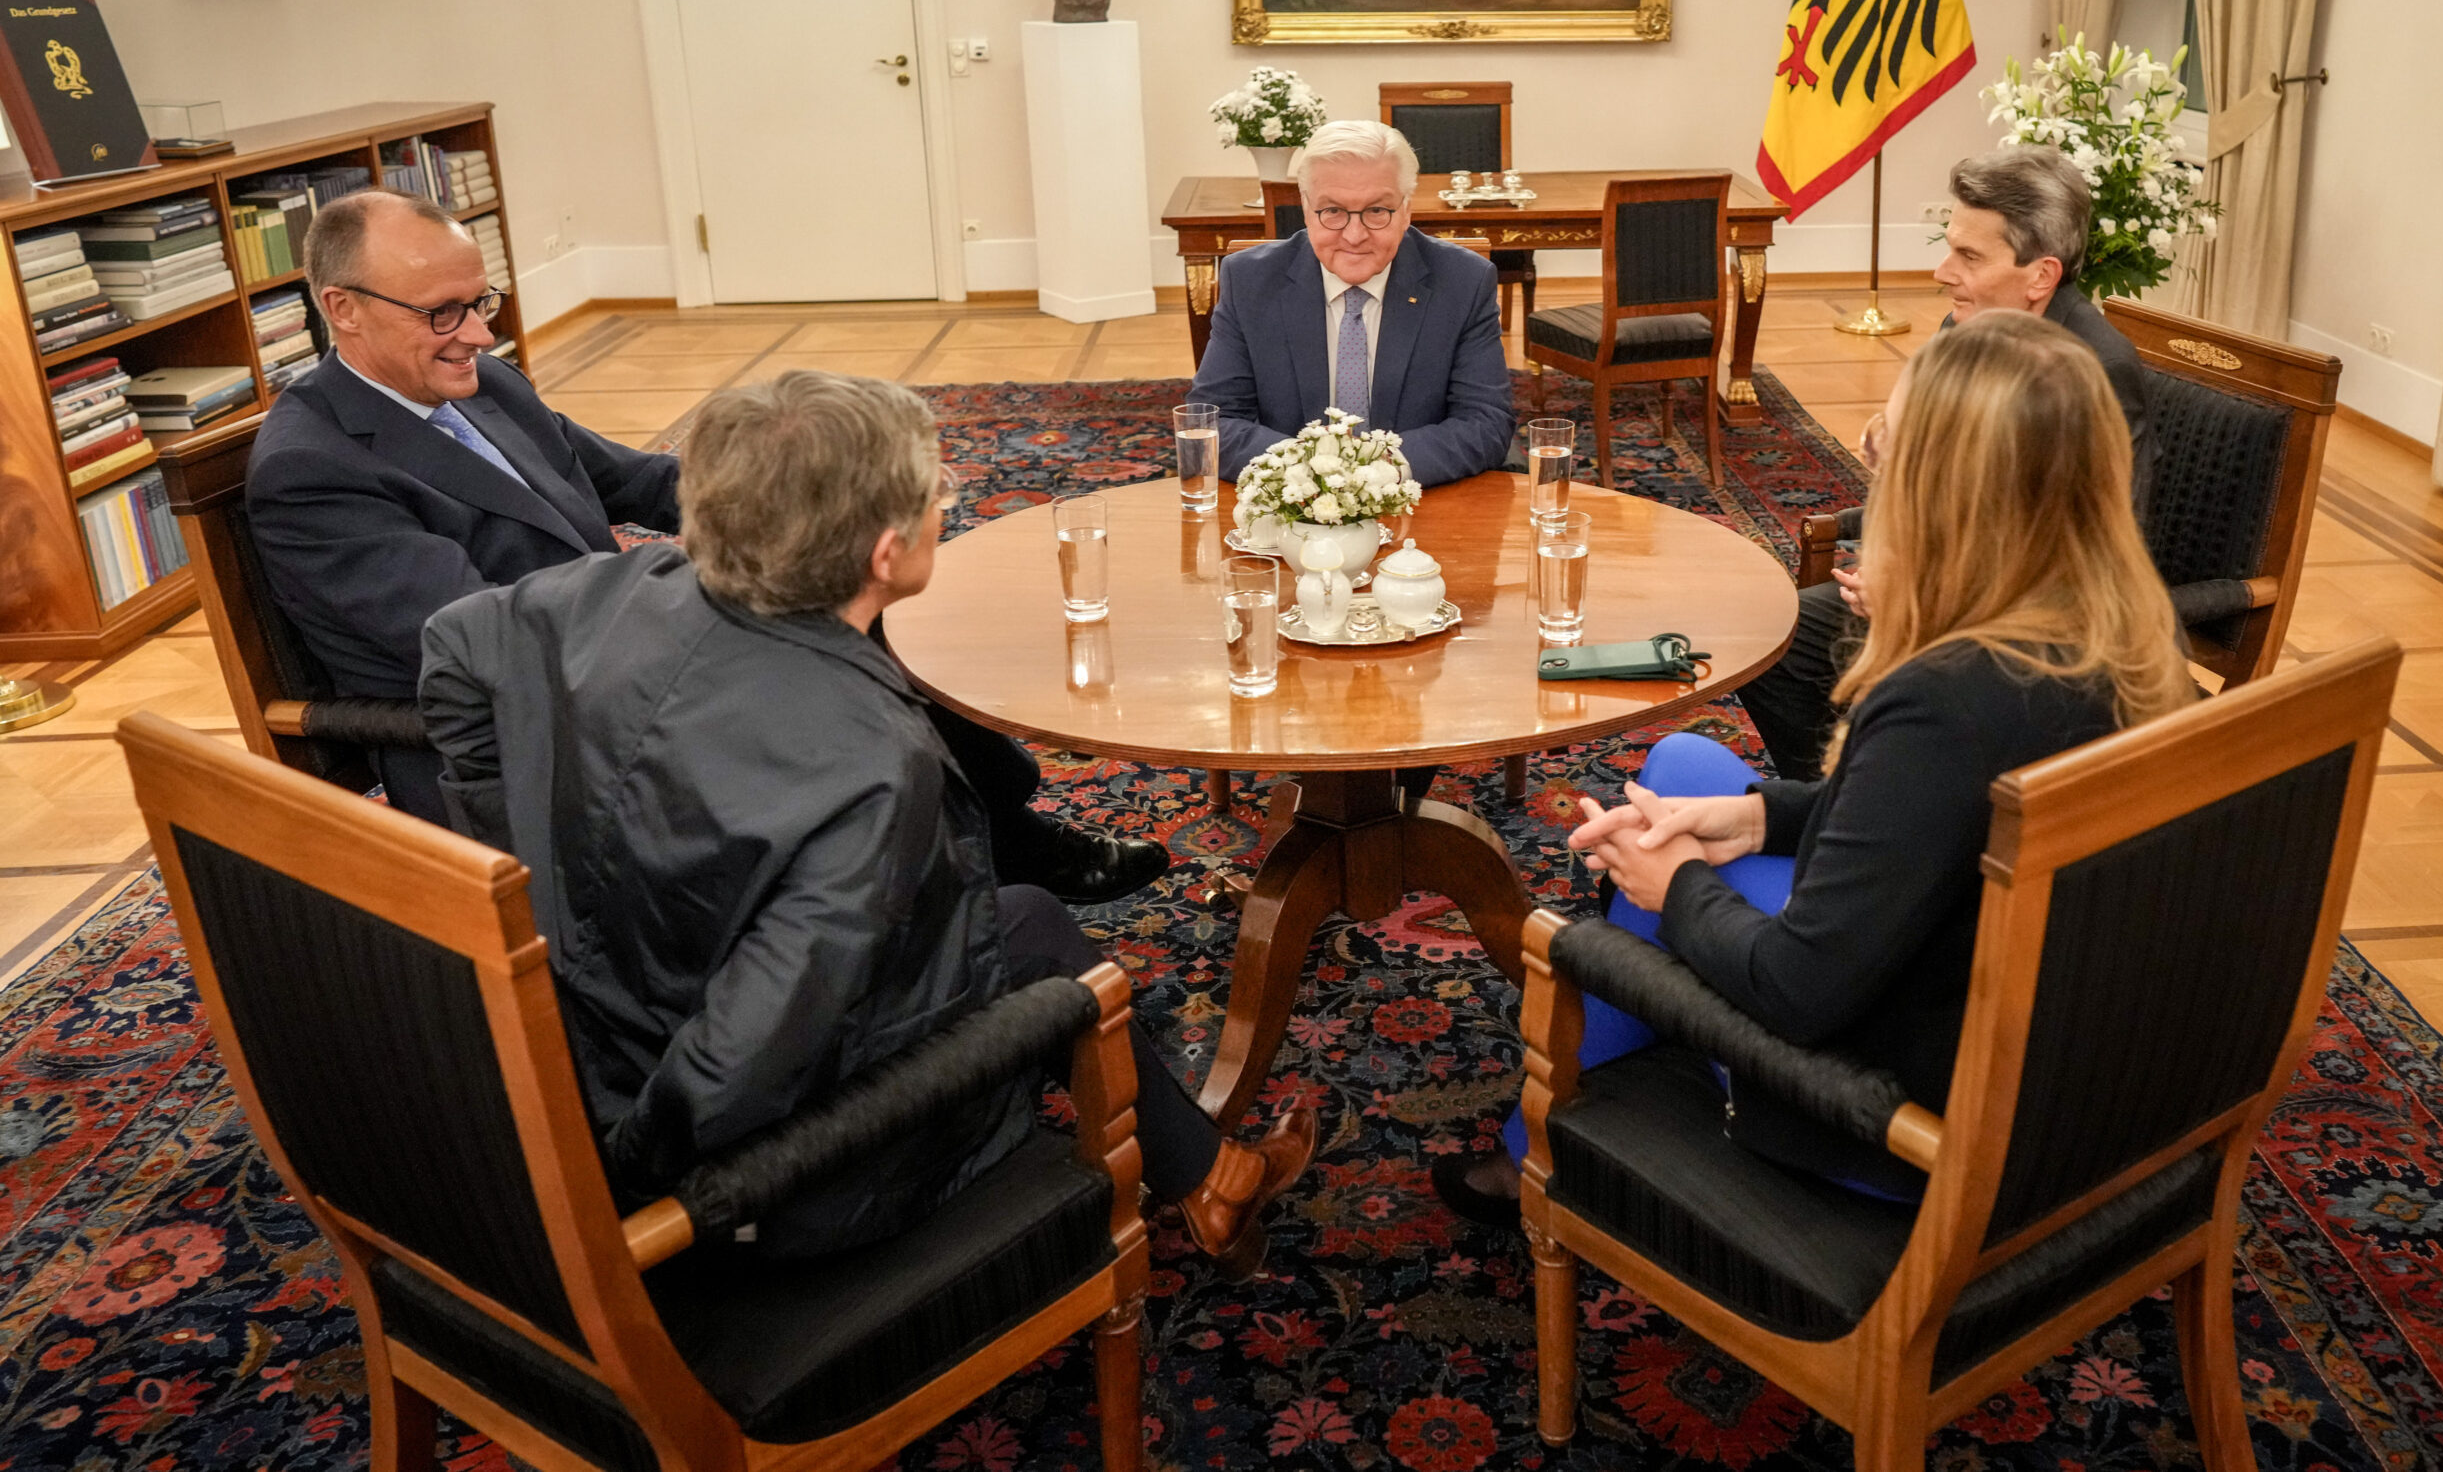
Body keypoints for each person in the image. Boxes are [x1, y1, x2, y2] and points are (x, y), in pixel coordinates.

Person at [418, 371, 1318, 1266]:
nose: (948, 505)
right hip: (776, 1185)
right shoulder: (872, 770)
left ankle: (1214, 1178)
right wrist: (633, 1192)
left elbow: (452, 650)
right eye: (940, 491)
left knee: (1029, 916)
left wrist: (517, 885)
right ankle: (1212, 1181)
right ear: (886, 554)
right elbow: (737, 1070)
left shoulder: (612, 587)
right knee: (1038, 947)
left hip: (603, 997)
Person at [1433, 312, 2193, 1223]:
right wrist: (1756, 817)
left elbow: (1797, 993)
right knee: (1685, 770)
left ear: (1944, 490)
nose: (1872, 471)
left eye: (1887, 449)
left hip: (1907, 1117)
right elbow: (1941, 820)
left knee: (1625, 890)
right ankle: (1540, 1143)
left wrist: (1671, 885)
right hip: (2068, 1051)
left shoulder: (1948, 699)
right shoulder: (2129, 636)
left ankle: (1545, 1152)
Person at [247, 191, 1166, 907]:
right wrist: (705, 585)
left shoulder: (483, 383)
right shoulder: (314, 471)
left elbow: (634, 478)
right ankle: (939, 878)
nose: (481, 334)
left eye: (480, 302)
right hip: (537, 729)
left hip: (619, 652)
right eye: (444, 313)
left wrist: (809, 497)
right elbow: (480, 642)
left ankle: (991, 836)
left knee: (848, 586)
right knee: (820, 627)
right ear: (345, 310)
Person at [1735, 146, 2156, 781]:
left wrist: (1919, 592)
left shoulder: (2093, 370)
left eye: (1969, 256)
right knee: (1770, 641)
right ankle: (1836, 803)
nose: (1940, 271)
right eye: (1948, 246)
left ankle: (1888, 804)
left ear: (2041, 275)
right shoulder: (1974, 325)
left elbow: (2083, 557)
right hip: (1938, 582)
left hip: (2024, 638)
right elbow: (1918, 451)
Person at [1188, 120, 1514, 488]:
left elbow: (1486, 423)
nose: (1355, 235)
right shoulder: (1250, 281)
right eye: (1332, 211)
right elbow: (1211, 421)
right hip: (1290, 508)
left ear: (1406, 210)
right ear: (1307, 210)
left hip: (1419, 503)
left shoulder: (1463, 282)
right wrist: (1313, 470)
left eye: (1377, 211)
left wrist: (1377, 469)